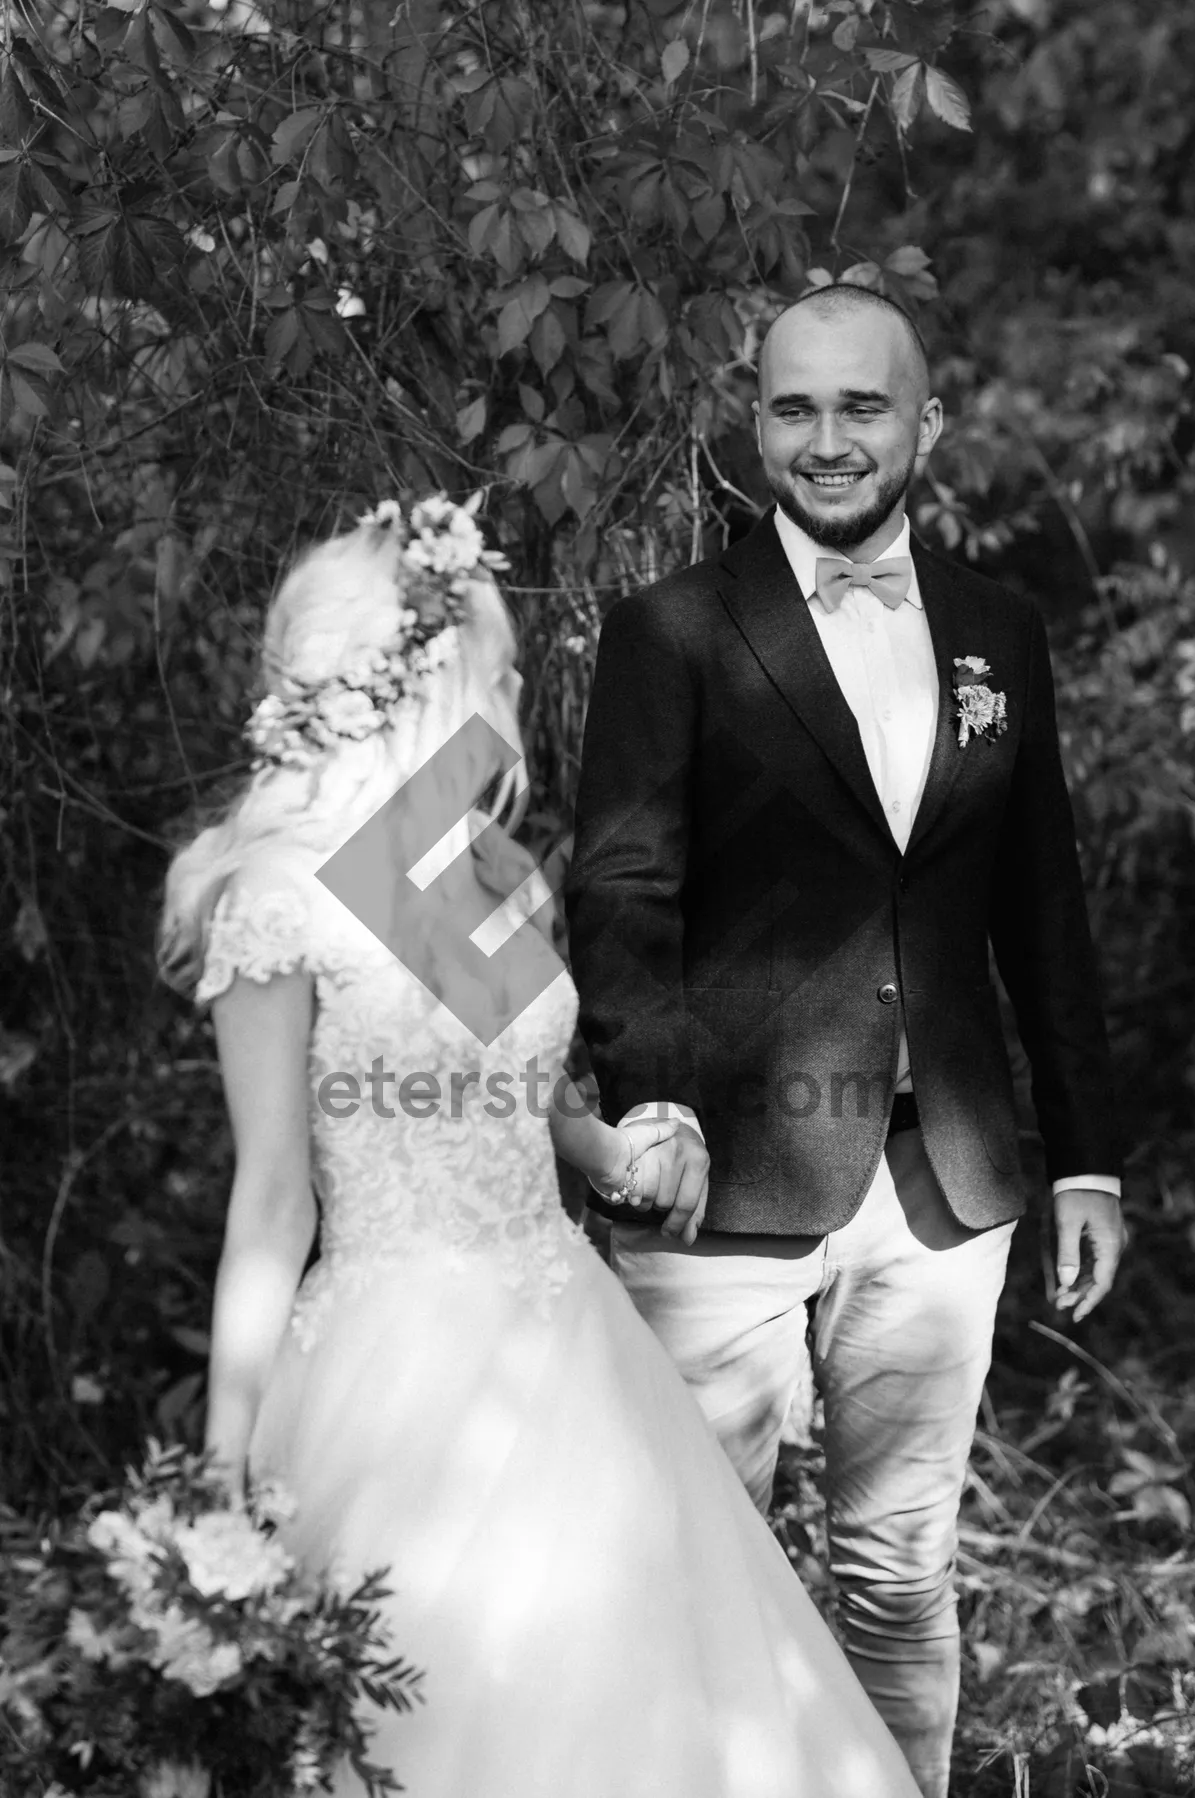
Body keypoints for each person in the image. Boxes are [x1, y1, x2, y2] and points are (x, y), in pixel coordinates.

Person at [158, 494, 920, 1798]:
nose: (509, 683)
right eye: (493, 659)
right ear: (423, 671)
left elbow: (526, 1090)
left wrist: (612, 1148)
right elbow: (274, 1200)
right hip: (400, 1370)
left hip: (567, 1332)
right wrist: (220, 1459)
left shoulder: (444, 862)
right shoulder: (276, 898)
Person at [565, 284, 1127, 1798]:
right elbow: (623, 885)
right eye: (794, 408)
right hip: (715, 1182)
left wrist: (1087, 1157)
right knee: (700, 1566)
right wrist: (654, 1102)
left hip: (944, 1184)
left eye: (861, 406)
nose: (827, 440)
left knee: (897, 1572)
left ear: (925, 422)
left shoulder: (1000, 632)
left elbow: (1042, 901)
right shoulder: (670, 631)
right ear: (756, 426)